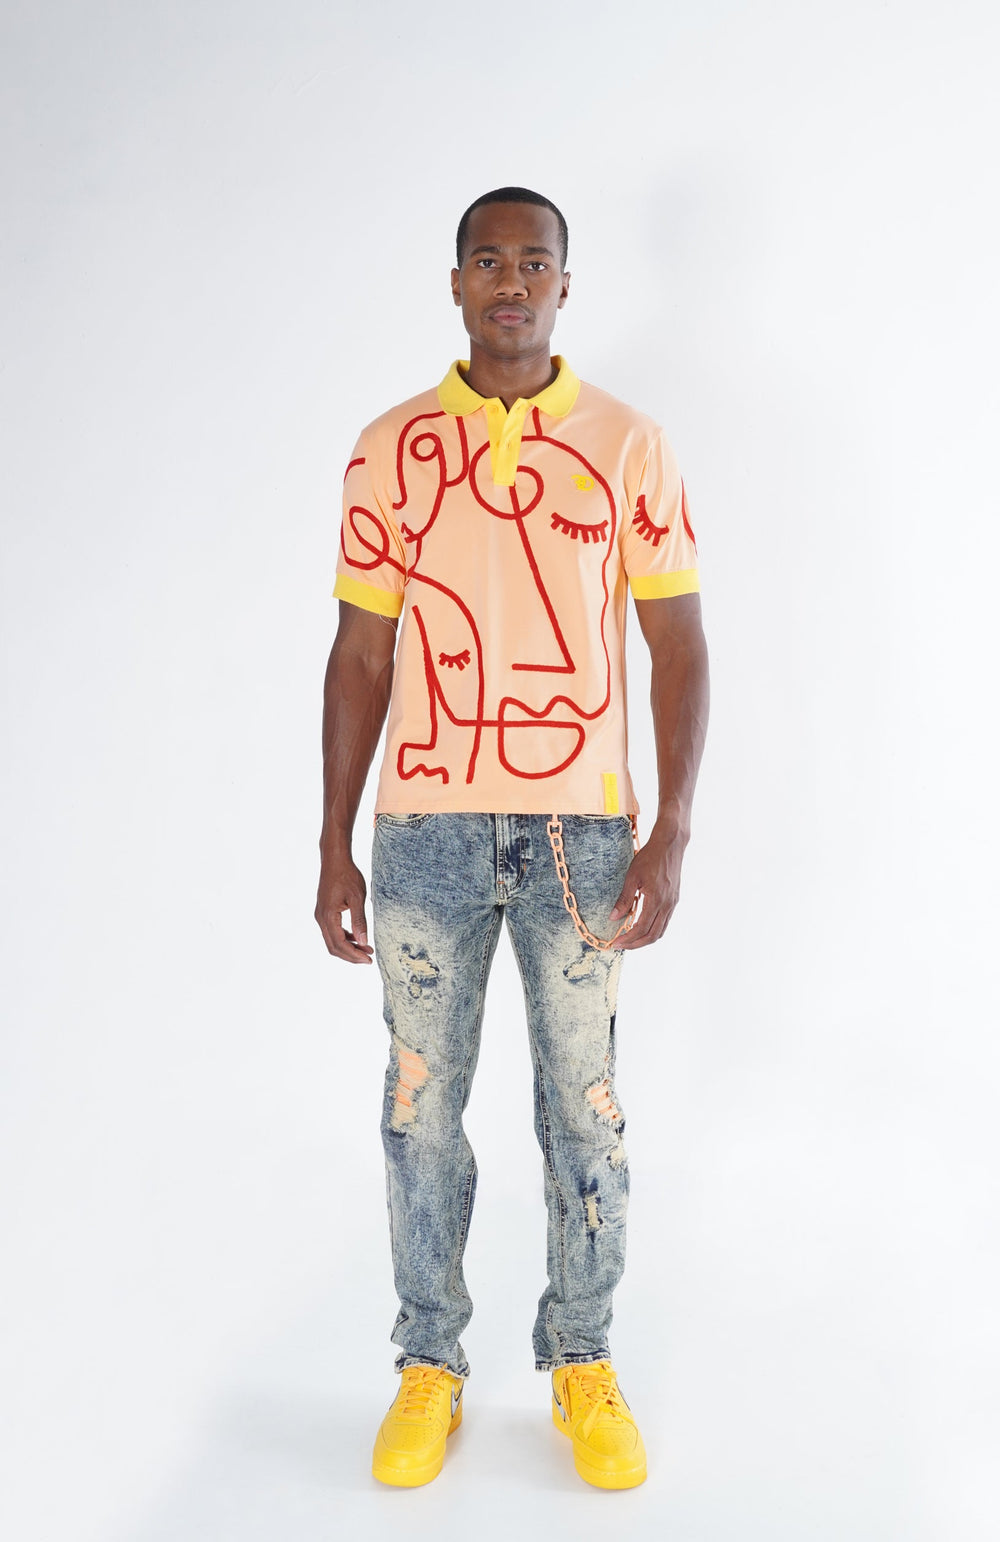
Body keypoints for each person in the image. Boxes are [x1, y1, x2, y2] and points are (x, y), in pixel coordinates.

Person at [315, 187, 709, 1491]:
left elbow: (677, 641)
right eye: (488, 260)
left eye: (534, 262)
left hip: (579, 834)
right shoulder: (389, 451)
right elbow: (360, 651)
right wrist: (332, 841)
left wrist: (670, 827)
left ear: (564, 285)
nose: (511, 282)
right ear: (456, 282)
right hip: (423, 827)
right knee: (419, 1110)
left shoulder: (630, 444)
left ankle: (582, 1358)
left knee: (583, 1109)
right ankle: (429, 1362)